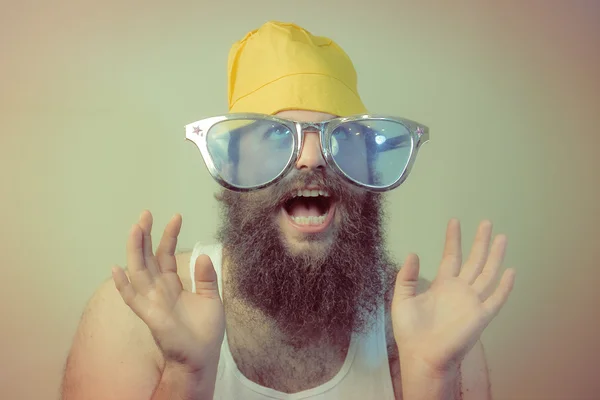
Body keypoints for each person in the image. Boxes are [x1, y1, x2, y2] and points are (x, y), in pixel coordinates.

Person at [61, 21, 516, 400]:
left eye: (338, 139)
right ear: (230, 174)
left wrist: (431, 380)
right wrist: (185, 376)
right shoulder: (139, 319)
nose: (311, 158)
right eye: (274, 139)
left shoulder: (436, 330)